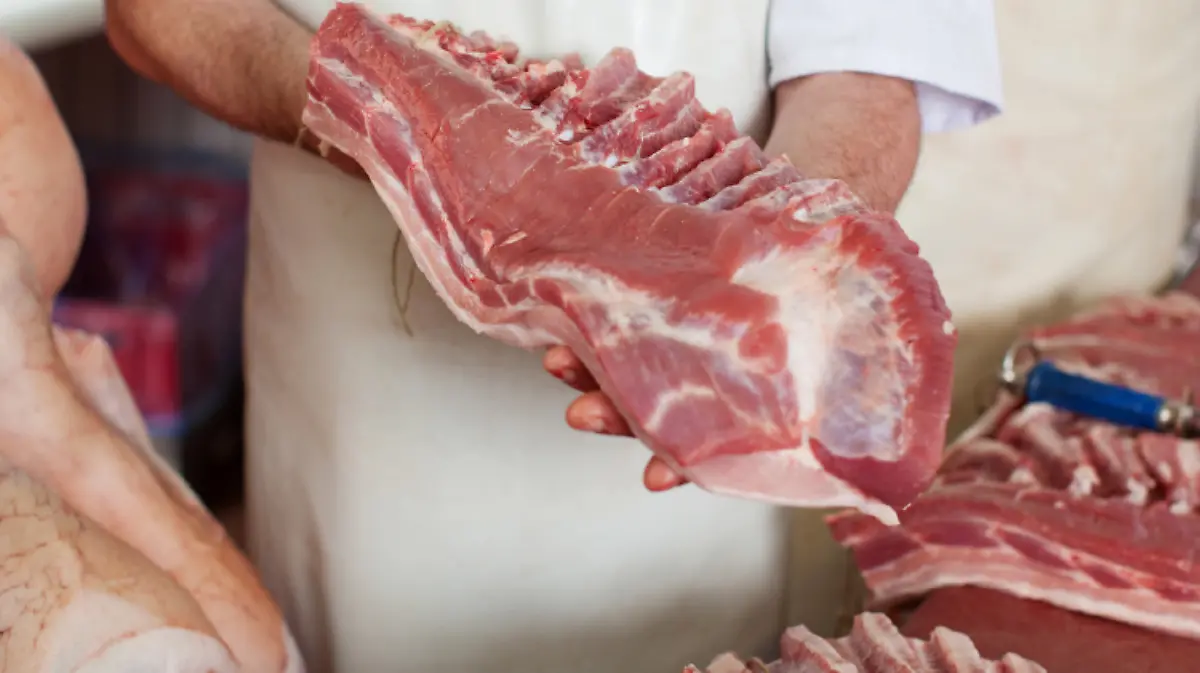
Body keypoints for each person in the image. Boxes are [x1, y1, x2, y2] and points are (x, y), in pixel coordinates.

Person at [94, 1, 1003, 671]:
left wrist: (763, 283)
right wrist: (415, 141)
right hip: (357, 383)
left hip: (691, 399)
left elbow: (869, 53)